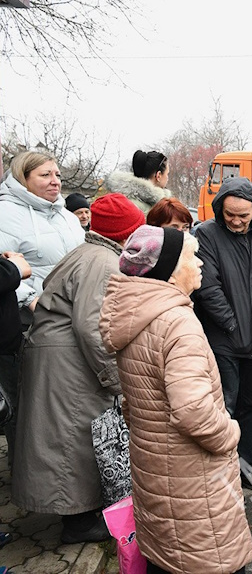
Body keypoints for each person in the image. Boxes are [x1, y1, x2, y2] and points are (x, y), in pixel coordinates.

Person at [100, 225, 252, 574]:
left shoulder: (138, 316)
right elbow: (194, 413)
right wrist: (230, 433)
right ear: (169, 269)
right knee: (206, 557)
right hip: (191, 478)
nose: (199, 264)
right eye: (191, 257)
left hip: (155, 466)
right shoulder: (177, 324)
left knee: (168, 557)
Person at [11, 193, 145, 544]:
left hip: (60, 358)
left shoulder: (89, 252)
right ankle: (79, 524)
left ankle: (79, 516)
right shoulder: (103, 262)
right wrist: (116, 380)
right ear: (125, 233)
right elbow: (94, 327)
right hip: (69, 365)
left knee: (65, 440)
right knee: (72, 444)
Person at [193, 177, 252, 492]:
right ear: (220, 208)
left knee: (251, 405)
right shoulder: (206, 234)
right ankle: (221, 473)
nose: (235, 220)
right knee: (224, 409)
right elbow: (208, 287)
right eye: (229, 214)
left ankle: (245, 465)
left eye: (243, 216)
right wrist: (231, 324)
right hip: (225, 343)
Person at [0, 150, 85, 312]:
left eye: (58, 175)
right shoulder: (4, 214)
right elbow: (3, 270)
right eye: (45, 175)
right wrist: (31, 300)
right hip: (29, 318)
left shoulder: (68, 217)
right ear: (23, 179)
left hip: (72, 311)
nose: (55, 182)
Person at [0, 251, 31, 474]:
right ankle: (20, 471)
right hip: (3, 351)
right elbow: (22, 270)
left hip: (9, 348)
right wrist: (14, 265)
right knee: (11, 411)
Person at [98, 149, 171, 213]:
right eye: (167, 174)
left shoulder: (120, 199)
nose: (167, 178)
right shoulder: (137, 208)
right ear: (158, 176)